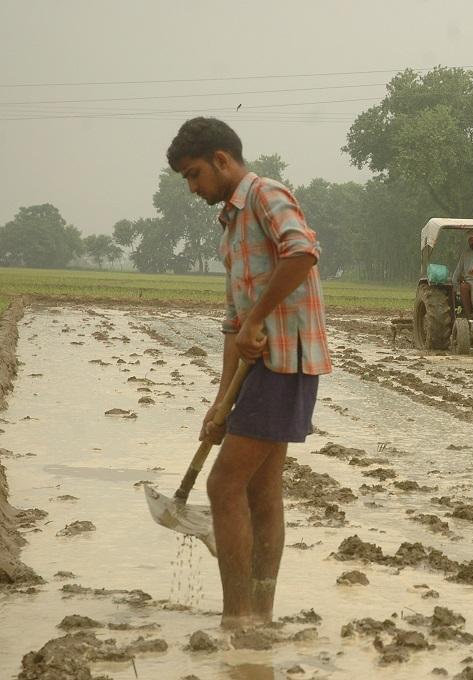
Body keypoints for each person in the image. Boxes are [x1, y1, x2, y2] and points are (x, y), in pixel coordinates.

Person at [166, 117, 332, 630]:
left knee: (222, 487)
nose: (193, 189)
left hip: (286, 362)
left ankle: (236, 619)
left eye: (195, 175)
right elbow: (235, 324)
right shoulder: (231, 226)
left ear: (221, 160)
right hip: (261, 368)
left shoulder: (265, 193)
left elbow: (302, 251)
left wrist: (258, 319)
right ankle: (259, 614)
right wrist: (221, 402)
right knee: (260, 491)